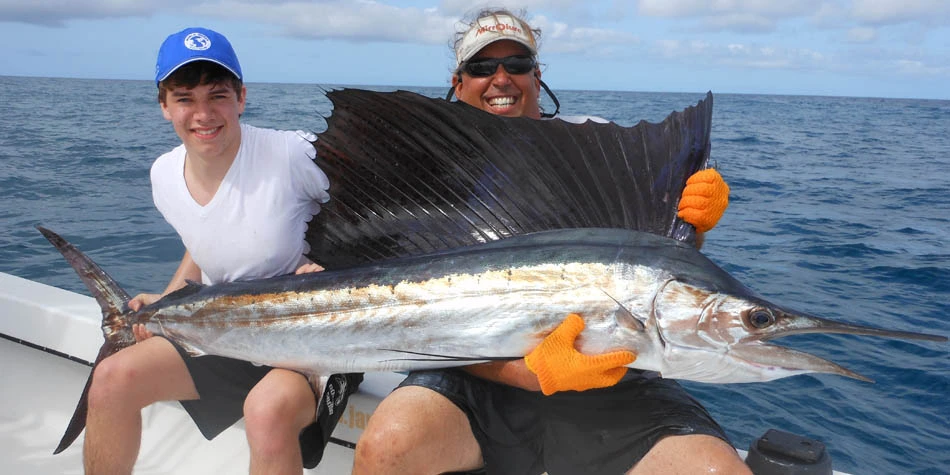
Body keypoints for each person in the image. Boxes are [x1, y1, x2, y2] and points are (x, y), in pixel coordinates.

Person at [353, 9, 750, 475]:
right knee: (385, 448)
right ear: (458, 84)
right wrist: (526, 372)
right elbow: (416, 323)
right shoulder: (432, 173)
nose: (500, 79)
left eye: (516, 65)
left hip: (609, 377)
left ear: (537, 78)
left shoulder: (595, 147)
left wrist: (692, 230)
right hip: (472, 369)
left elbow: (656, 279)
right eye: (482, 68)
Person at [82, 27, 360, 475]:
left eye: (218, 95)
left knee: (266, 412)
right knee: (112, 379)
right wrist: (171, 297)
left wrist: (334, 271)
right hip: (221, 329)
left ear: (242, 98)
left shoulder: (294, 155)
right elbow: (205, 236)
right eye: (185, 98)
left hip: (314, 338)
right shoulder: (164, 175)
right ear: (163, 106)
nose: (203, 113)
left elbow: (375, 216)